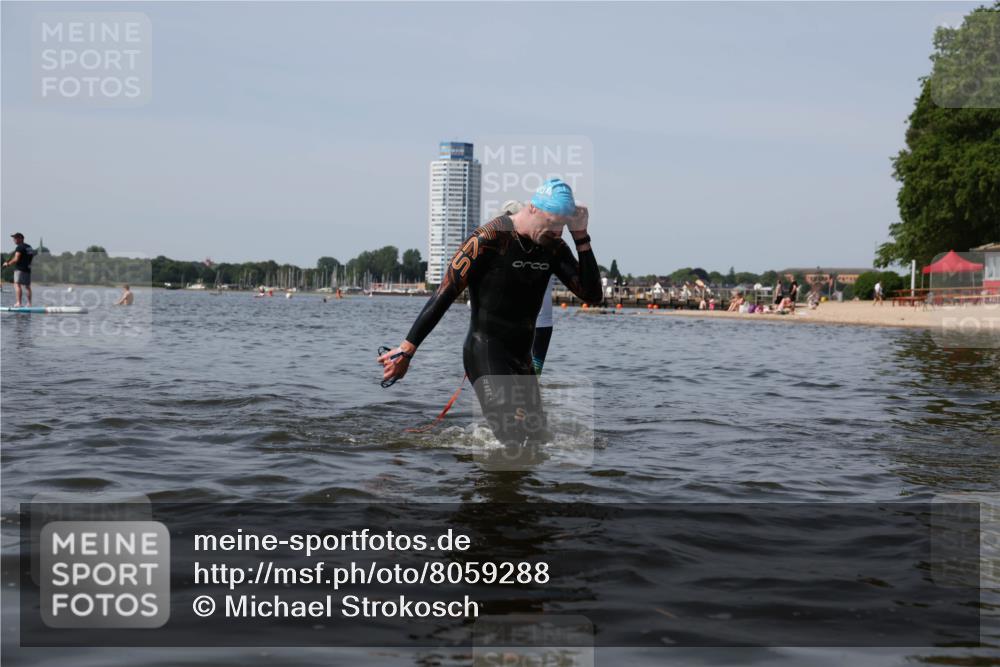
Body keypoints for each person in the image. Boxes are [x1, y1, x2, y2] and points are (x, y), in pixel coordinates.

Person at [379, 178, 602, 448]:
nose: (557, 232)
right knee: (513, 436)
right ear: (532, 208)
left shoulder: (552, 246)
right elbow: (445, 293)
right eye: (552, 223)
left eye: (561, 226)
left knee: (538, 441)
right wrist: (407, 350)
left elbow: (591, 294)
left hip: (522, 361)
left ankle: (479, 464)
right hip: (485, 351)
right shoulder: (490, 237)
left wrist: (581, 237)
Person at [499, 200, 557, 376]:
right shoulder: (543, 245)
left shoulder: (516, 249)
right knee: (530, 381)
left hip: (528, 327)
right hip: (541, 327)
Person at [2, 233, 35, 307]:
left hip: (19, 269)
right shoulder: (29, 247)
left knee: (17, 285)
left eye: (15, 238)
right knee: (27, 286)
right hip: (27, 269)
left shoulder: (19, 247)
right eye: (14, 238)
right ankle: (29, 304)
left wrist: (8, 264)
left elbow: (16, 259)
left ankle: (18, 303)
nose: (14, 240)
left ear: (21, 238)